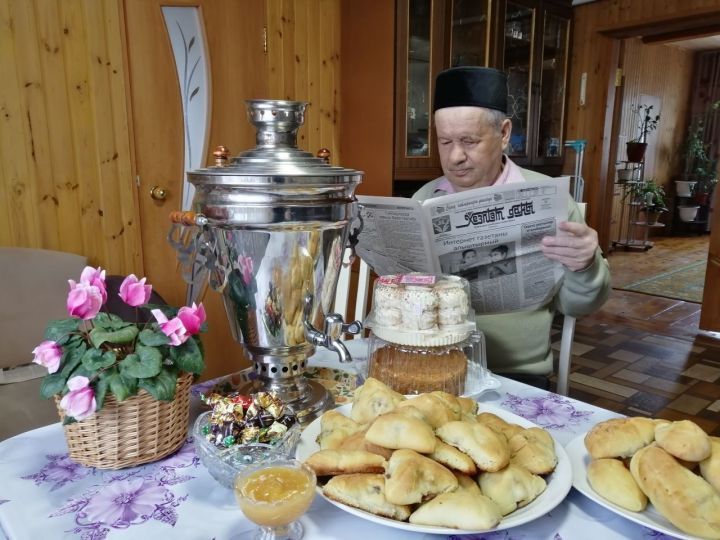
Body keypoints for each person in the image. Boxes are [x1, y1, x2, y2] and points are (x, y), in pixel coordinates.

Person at [413, 66, 611, 388]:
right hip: (433, 363)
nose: (455, 157)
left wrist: (587, 266)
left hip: (515, 374)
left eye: (469, 141)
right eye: (445, 141)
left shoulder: (550, 201)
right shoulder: (424, 199)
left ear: (504, 133)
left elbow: (579, 305)